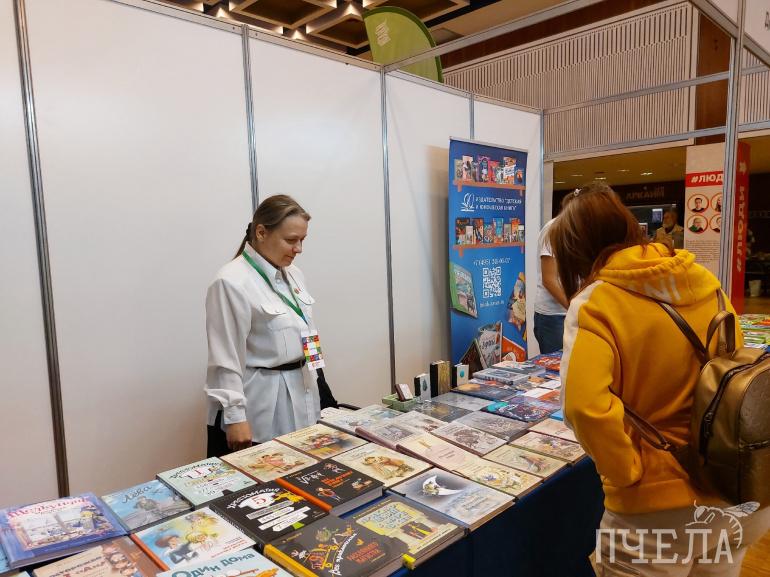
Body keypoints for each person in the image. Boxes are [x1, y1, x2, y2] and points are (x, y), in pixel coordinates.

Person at [549, 182, 770, 576]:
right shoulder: (704, 281)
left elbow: (583, 406)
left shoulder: (597, 302)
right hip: (735, 487)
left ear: (577, 250)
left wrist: (625, 473)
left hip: (658, 510)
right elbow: (734, 369)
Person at [205, 195, 321, 457]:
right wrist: (235, 416)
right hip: (263, 404)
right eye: (291, 240)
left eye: (302, 240)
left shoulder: (294, 275)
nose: (298, 249)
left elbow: (308, 332)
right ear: (261, 232)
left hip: (304, 393)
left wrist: (322, 388)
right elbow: (225, 357)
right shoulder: (231, 281)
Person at [533, 195, 572, 354]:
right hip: (554, 315)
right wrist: (575, 307)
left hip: (569, 311)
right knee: (555, 364)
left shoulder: (580, 230)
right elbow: (549, 279)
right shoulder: (554, 229)